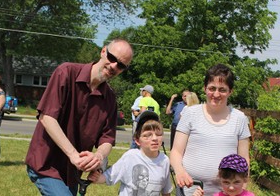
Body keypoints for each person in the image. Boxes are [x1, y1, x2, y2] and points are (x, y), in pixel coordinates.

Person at [25, 39, 133, 195]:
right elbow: (47, 117)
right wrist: (73, 155)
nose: (114, 66)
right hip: (45, 164)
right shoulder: (66, 72)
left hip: (72, 173)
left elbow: (107, 139)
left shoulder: (109, 98)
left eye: (121, 65)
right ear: (103, 52)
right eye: (112, 58)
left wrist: (98, 156)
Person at [170, 63, 251, 195]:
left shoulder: (239, 118)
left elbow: (244, 159)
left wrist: (240, 190)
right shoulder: (190, 113)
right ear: (204, 88)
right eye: (212, 88)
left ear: (230, 91)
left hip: (226, 192)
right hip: (190, 190)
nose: (216, 94)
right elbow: (176, 152)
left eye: (222, 89)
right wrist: (180, 172)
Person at [88, 110, 173, 196]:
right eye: (148, 135)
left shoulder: (164, 160)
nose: (155, 138)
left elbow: (166, 190)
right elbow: (109, 176)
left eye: (158, 134)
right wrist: (97, 177)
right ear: (137, 140)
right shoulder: (130, 156)